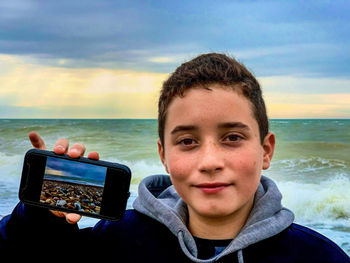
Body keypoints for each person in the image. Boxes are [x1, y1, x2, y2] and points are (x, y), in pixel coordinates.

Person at [1, 53, 349, 262]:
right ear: (163, 156)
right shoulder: (116, 242)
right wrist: (41, 220)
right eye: (187, 141)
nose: (210, 160)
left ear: (266, 150)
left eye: (232, 137)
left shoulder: (319, 259)